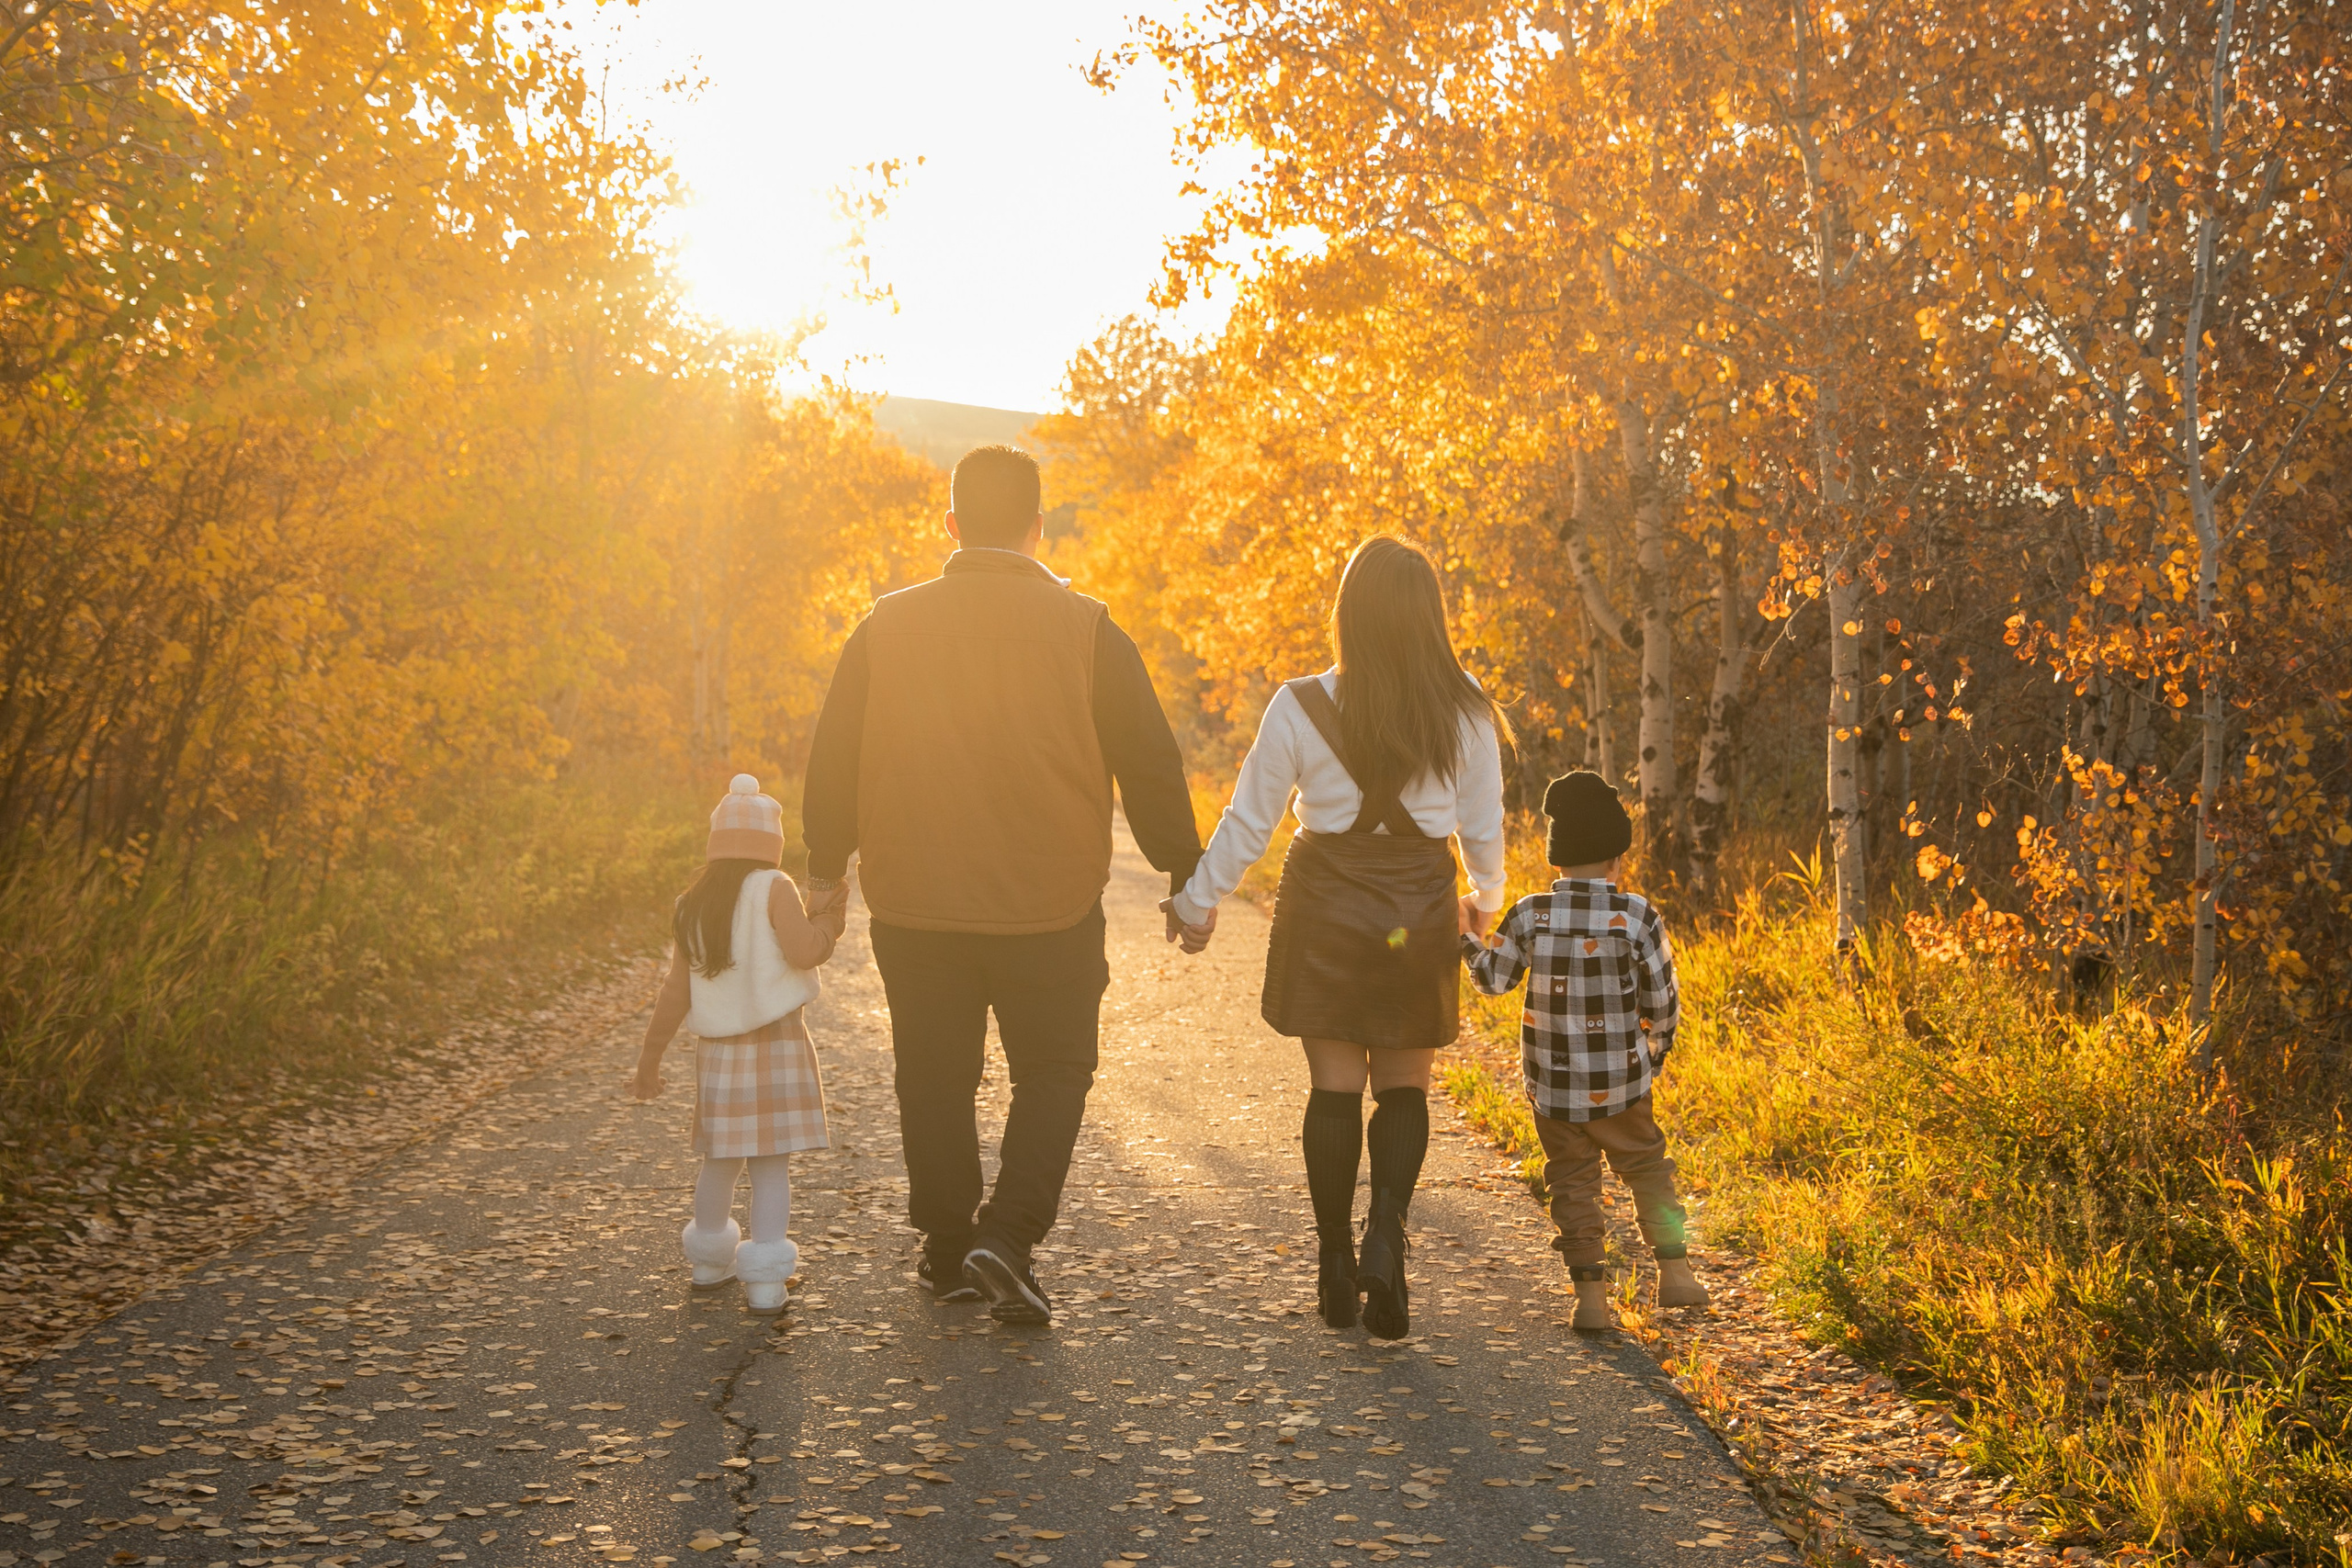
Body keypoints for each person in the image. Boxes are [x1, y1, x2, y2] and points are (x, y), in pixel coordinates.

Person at [800, 444, 1203, 1325]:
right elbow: (1150, 758)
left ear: (949, 524)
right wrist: (1184, 870)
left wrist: (824, 871)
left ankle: (949, 1250)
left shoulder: (884, 626)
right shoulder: (1089, 627)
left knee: (933, 1077)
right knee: (1055, 1069)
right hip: (1047, 904)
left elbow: (833, 759)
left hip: (915, 899)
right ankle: (1008, 1235)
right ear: (1038, 527)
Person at [1169, 536, 1509, 1340]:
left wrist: (1198, 900)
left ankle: (1331, 1261)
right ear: (1431, 617)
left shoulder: (1299, 704)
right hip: (1417, 907)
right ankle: (1385, 1236)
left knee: (1333, 1084)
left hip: (1326, 903)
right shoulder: (1466, 708)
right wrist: (1483, 903)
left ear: (1347, 614)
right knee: (1404, 1084)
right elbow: (1483, 830)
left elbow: (1248, 819)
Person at [1462, 771, 1711, 1329]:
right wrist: (1653, 1057)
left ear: (1557, 861)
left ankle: (1591, 1302)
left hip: (1552, 1089)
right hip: (1623, 1082)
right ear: (1615, 860)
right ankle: (1676, 1275)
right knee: (1647, 1169)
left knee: (1572, 1184)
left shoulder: (1529, 914)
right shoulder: (1638, 915)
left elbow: (1492, 980)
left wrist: (1467, 937)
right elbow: (1663, 1001)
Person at [631, 774, 838, 1316]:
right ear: (771, 845)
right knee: (771, 1166)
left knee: (719, 1162)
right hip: (778, 1046)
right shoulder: (775, 887)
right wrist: (830, 918)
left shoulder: (690, 902)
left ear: (715, 843)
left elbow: (675, 991)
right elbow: (805, 951)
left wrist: (648, 1061)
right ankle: (767, 1283)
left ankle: (707, 1263)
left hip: (719, 1054)